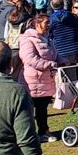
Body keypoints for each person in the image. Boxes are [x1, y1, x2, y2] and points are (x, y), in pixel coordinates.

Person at [19, 13, 59, 142]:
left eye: (49, 23)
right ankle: (29, 134)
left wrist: (64, 61)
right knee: (30, 109)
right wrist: (49, 65)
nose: (48, 25)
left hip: (45, 80)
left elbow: (54, 55)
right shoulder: (28, 40)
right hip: (32, 81)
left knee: (42, 108)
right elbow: (29, 58)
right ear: (37, 24)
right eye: (46, 23)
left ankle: (43, 131)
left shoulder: (47, 39)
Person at [48, 0, 78, 65]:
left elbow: (50, 35)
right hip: (76, 48)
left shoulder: (50, 20)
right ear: (63, 4)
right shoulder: (73, 16)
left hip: (60, 51)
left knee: (65, 74)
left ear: (52, 6)